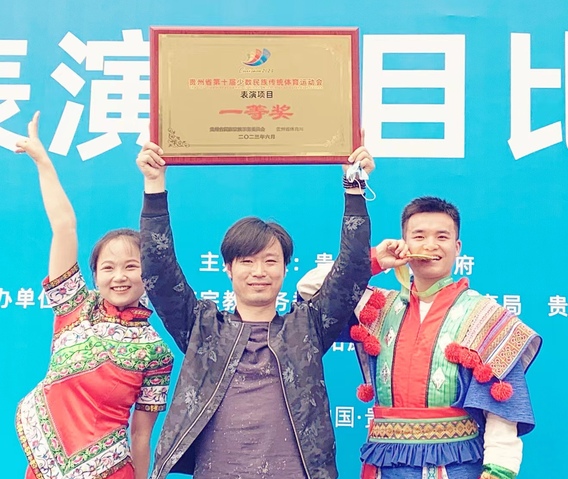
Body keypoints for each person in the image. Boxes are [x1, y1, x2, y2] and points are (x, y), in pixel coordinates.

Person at [135, 140, 374, 479]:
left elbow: (352, 270)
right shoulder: (202, 328)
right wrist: (154, 185)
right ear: (228, 269)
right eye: (246, 261)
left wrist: (354, 187)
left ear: (285, 269)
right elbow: (159, 273)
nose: (259, 271)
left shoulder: (307, 327)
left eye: (270, 261)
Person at [297, 196, 541, 479]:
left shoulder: (484, 316)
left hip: (456, 466)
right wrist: (375, 259)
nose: (430, 245)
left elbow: (502, 413)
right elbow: (309, 287)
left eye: (442, 237)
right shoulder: (378, 307)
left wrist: (498, 472)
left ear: (457, 247)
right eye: (419, 236)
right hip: (386, 466)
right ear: (404, 244)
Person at [15, 112, 174, 479]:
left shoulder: (156, 352)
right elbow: (64, 226)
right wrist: (42, 162)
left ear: (148, 274)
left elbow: (141, 434)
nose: (119, 277)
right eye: (108, 267)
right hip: (45, 467)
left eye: (131, 266)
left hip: (111, 470)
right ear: (95, 275)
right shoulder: (75, 305)